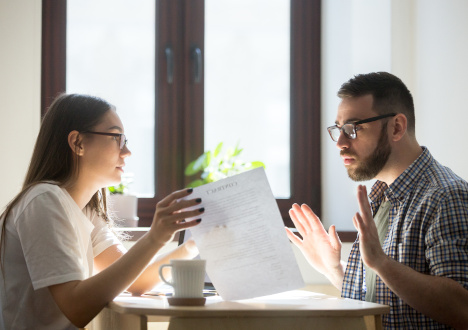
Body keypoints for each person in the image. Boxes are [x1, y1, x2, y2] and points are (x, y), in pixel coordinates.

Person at [0, 94, 203, 329]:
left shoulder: (85, 211)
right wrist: (155, 237)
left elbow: (136, 280)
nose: (127, 152)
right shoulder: (43, 201)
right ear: (78, 143)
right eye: (117, 138)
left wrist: (195, 243)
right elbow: (76, 308)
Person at [286, 72, 468, 329]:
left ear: (396, 127)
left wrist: (381, 262)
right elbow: (386, 299)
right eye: (338, 129)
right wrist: (334, 269)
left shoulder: (445, 196)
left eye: (353, 128)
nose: (340, 142)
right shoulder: (382, 195)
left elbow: (462, 309)